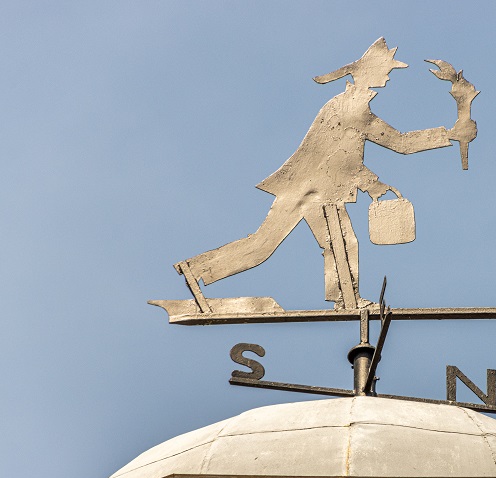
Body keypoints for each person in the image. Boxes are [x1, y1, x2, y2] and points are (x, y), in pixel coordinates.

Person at [176, 37, 476, 310]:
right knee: (339, 243)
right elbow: (394, 144)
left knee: (265, 246)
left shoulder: (350, 104)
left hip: (312, 188)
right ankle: (348, 300)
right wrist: (448, 135)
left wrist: (374, 181)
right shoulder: (353, 107)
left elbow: (348, 154)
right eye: (386, 70)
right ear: (368, 71)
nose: (388, 76)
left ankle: (196, 268)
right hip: (316, 190)